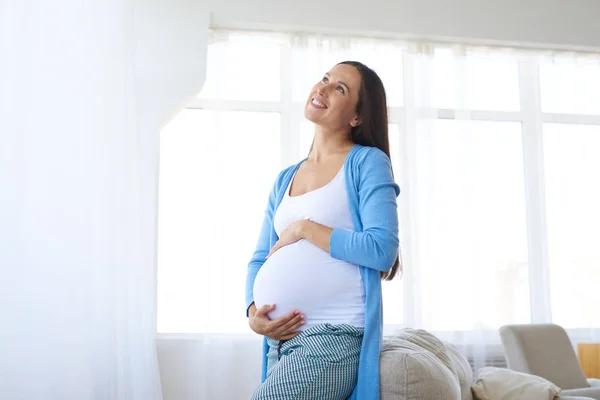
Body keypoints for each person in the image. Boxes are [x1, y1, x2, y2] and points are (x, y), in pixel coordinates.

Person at [245, 61, 401, 400]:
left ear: (357, 117)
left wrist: (303, 229)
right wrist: (252, 314)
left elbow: (381, 249)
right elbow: (260, 258)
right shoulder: (286, 177)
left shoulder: (366, 162)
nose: (323, 88)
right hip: (280, 342)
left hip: (333, 336)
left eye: (340, 89)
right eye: (325, 79)